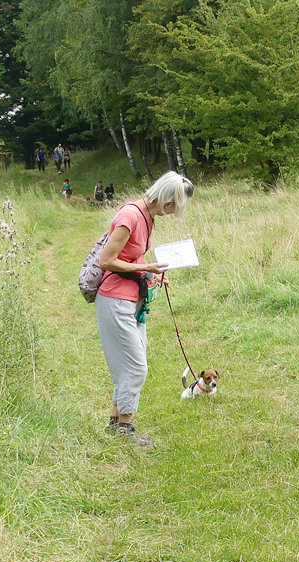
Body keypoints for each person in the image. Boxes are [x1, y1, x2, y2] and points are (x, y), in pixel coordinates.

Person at [96, 171, 195, 447]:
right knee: (136, 367)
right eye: (173, 207)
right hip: (115, 300)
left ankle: (115, 423)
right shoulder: (130, 216)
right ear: (167, 200)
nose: (172, 212)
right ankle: (126, 429)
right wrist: (146, 267)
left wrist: (151, 275)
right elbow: (106, 260)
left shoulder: (148, 217)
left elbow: (132, 257)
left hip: (133, 300)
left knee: (128, 365)